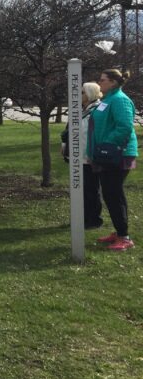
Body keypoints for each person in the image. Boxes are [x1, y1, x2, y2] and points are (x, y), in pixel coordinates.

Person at [89, 69, 137, 251]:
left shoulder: (120, 100)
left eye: (102, 80)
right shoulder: (108, 99)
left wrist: (107, 144)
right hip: (106, 153)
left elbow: (124, 127)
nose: (99, 83)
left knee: (114, 194)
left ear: (113, 82)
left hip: (119, 154)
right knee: (110, 194)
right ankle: (119, 232)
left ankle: (124, 237)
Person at [61, 82, 103, 228]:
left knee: (91, 189)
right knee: (79, 189)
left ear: (90, 94)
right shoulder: (77, 109)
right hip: (76, 155)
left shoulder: (98, 109)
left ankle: (94, 220)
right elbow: (68, 131)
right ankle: (81, 218)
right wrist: (64, 145)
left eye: (82, 92)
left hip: (89, 156)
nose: (79, 95)